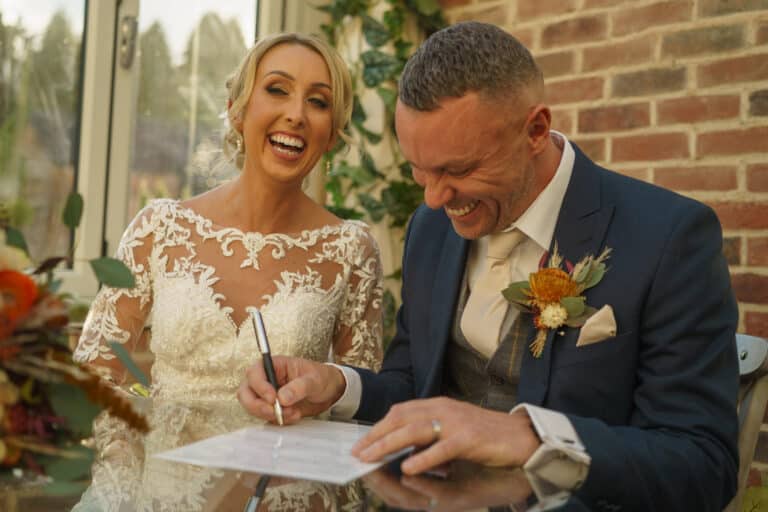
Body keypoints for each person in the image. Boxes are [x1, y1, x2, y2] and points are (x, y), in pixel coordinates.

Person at [238, 21, 739, 512]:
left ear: (536, 129)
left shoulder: (670, 238)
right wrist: (338, 386)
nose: (434, 198)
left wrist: (528, 436)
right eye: (420, 170)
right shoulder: (430, 229)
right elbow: (413, 385)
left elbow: (702, 466)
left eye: (458, 170)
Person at [72, 32, 384, 511]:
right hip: (157, 495)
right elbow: (97, 375)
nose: (296, 114)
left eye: (318, 102)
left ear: (333, 132)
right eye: (277, 89)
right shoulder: (160, 228)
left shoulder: (351, 250)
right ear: (237, 107)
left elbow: (362, 400)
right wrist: (121, 483)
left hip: (292, 499)